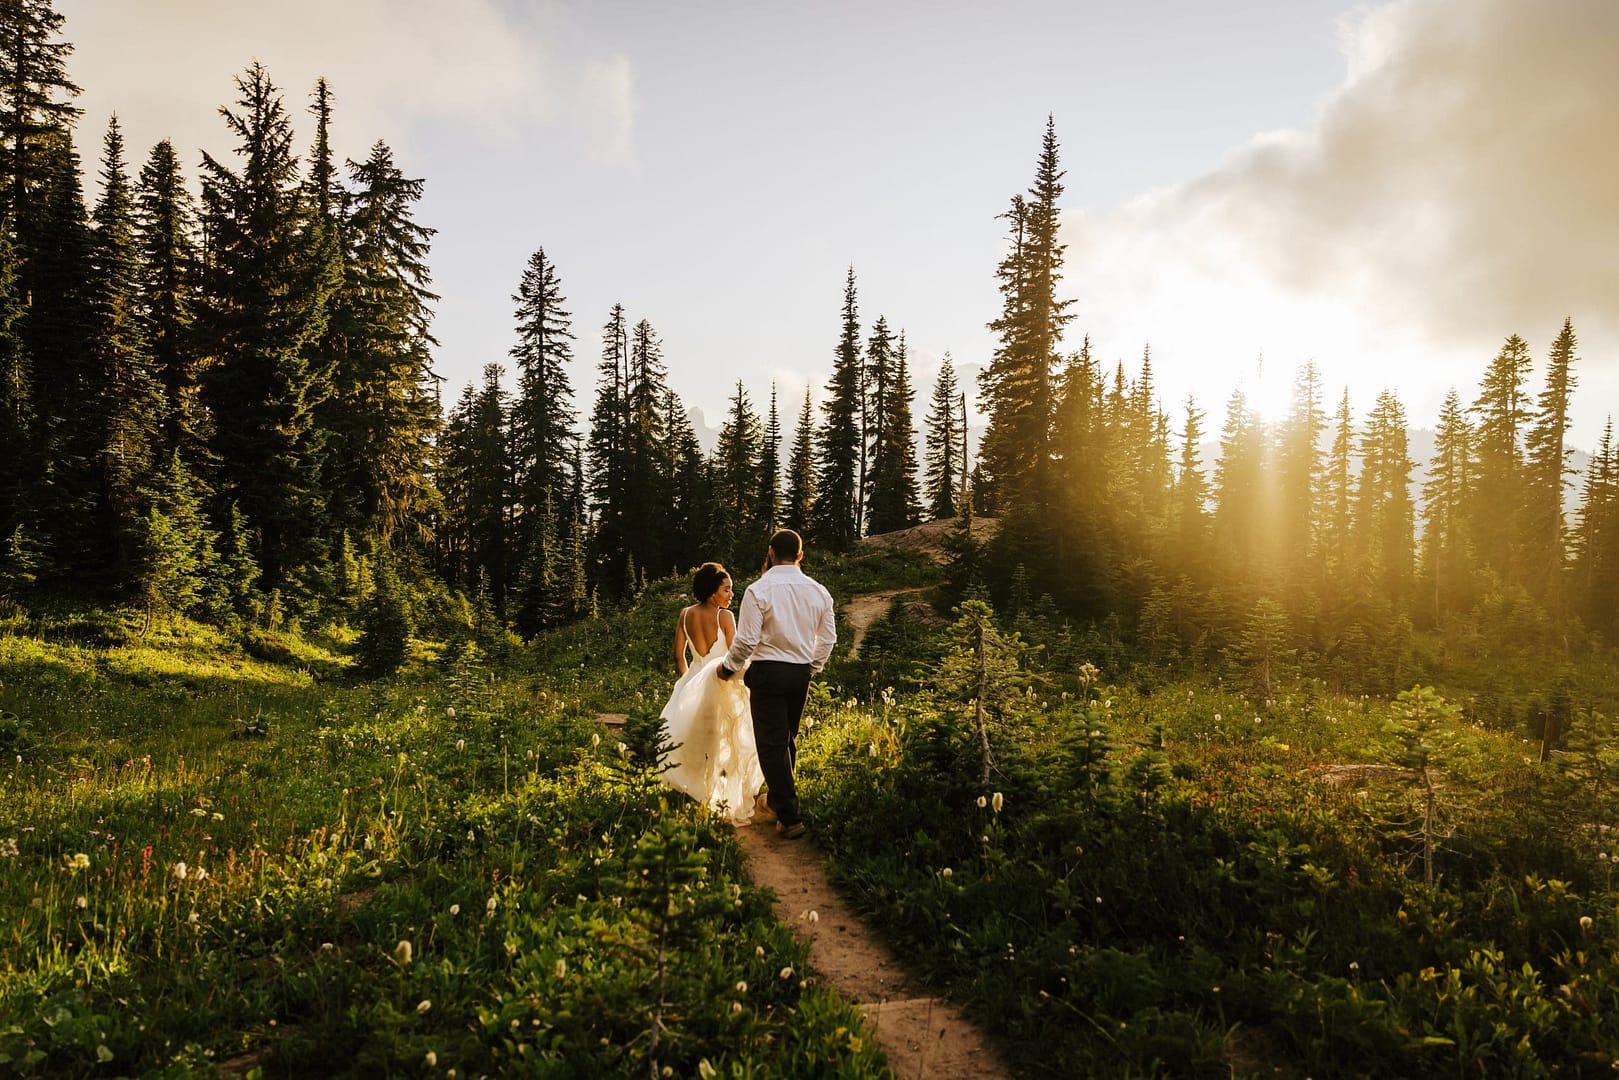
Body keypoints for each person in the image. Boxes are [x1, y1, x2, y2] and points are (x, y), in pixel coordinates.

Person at [716, 529, 835, 840]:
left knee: (771, 744)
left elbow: (747, 640)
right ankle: (777, 802)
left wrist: (728, 668)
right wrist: (812, 667)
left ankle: (790, 816)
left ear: (770, 552)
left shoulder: (759, 590)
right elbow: (829, 638)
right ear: (800, 554)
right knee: (786, 740)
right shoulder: (819, 591)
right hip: (799, 673)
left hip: (768, 671)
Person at [657, 562, 764, 824]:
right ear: (712, 591)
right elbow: (736, 656)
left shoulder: (685, 614)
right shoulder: (724, 617)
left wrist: (687, 680)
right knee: (725, 741)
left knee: (695, 739)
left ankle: (698, 794)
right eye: (727, 590)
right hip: (720, 680)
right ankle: (720, 795)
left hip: (693, 680)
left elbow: (678, 653)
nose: (731, 595)